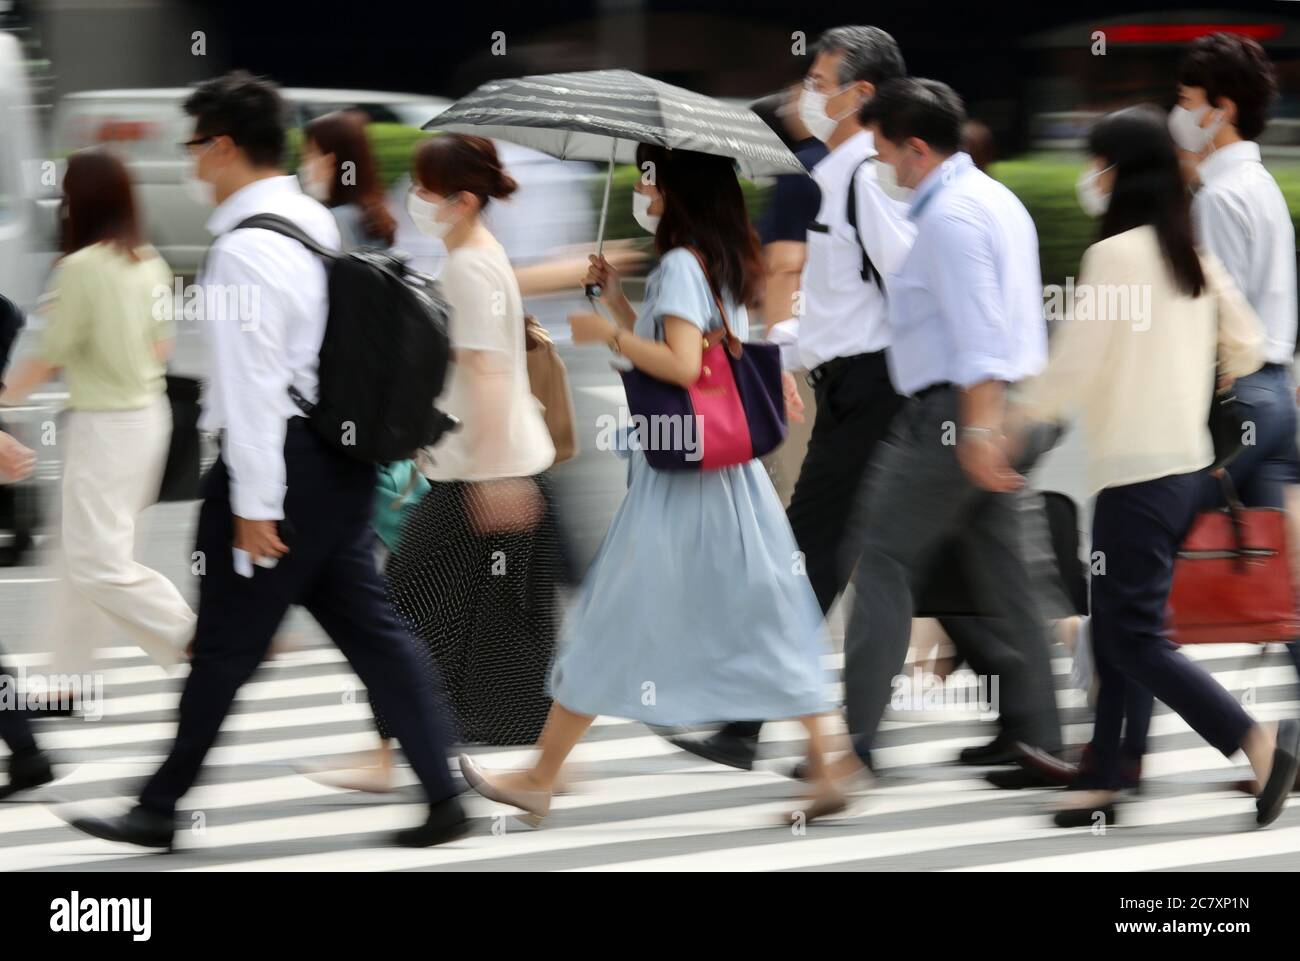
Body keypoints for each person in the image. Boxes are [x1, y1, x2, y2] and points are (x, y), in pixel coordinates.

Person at [66, 71, 467, 849]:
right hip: (337, 463)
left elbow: (253, 388)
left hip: (281, 471)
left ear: (220, 146)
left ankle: (159, 804)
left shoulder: (246, 249)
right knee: (372, 633)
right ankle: (444, 789)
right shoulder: (308, 219)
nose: (189, 164)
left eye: (193, 146)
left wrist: (255, 503)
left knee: (223, 644)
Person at [671, 26, 1062, 774]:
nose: (805, 95)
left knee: (824, 552)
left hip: (882, 387)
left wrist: (962, 404)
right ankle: (1027, 723)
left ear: (863, 96)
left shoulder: (869, 179)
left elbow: (922, 288)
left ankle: (784, 731)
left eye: (819, 81)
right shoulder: (849, 171)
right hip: (884, 385)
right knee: (954, 554)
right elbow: (853, 299)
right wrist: (787, 347)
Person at [458, 143, 859, 826]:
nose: (642, 190)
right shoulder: (712, 260)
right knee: (763, 613)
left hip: (681, 487)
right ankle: (833, 757)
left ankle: (540, 775)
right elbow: (698, 353)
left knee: (615, 616)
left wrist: (603, 333)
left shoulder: (679, 265)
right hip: (725, 479)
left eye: (649, 177)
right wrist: (614, 299)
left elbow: (677, 365)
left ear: (673, 187)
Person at [1016, 105, 1297, 828]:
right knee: (1119, 628)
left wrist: (1010, 421)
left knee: (1134, 634)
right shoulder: (1190, 254)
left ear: (1118, 173)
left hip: (1134, 480)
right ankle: (1107, 773)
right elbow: (1250, 347)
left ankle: (1253, 739)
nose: (1089, 178)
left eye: (1096, 162)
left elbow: (1072, 368)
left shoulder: (1114, 257)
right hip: (1187, 476)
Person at [830, 78, 1061, 780]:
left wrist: (979, 432)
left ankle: (852, 746)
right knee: (1007, 576)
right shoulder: (995, 199)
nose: (885, 169)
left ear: (918, 148)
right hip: (1008, 405)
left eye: (887, 154)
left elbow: (980, 335)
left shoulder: (952, 216)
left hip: (958, 414)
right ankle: (1038, 738)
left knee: (882, 562)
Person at [383, 134, 561, 750]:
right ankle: (521, 745)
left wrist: (491, 478)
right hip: (490, 468)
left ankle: (393, 746)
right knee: (494, 614)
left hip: (483, 473)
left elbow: (485, 372)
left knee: (405, 606)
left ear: (461, 199)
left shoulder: (469, 265)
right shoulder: (477, 256)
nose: (416, 200)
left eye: (426, 189)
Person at [1, 150, 195, 691]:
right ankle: (65, 679)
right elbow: (163, 346)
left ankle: (195, 638)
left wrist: (3, 401)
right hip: (148, 419)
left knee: (96, 562)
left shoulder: (80, 268)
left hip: (105, 426)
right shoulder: (148, 260)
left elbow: (49, 356)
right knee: (75, 557)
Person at [299, 110, 396, 252]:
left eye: (310, 154)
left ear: (330, 162)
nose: (304, 165)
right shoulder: (373, 213)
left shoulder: (336, 221)